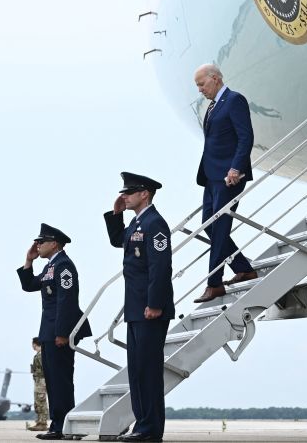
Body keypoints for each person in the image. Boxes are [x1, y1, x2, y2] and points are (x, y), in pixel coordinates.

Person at [104, 172, 174, 443]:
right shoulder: (136, 223)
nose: (124, 196)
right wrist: (116, 213)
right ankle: (142, 425)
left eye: (129, 192)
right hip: (135, 308)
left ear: (145, 193)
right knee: (136, 371)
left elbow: (160, 266)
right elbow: (116, 241)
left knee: (148, 371)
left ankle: (150, 429)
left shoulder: (155, 224)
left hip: (149, 309)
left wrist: (155, 303)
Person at [17, 224, 91, 441]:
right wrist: (29, 261)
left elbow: (67, 301)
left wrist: (62, 333)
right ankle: (58, 425)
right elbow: (30, 285)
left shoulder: (64, 266)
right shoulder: (51, 266)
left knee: (61, 381)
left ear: (55, 243)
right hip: (48, 331)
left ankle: (64, 425)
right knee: (53, 380)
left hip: (59, 332)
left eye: (42, 242)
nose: (37, 245)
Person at [193, 63, 258, 303]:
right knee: (209, 226)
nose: (200, 90)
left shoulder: (234, 100)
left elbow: (245, 136)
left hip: (229, 177)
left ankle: (214, 283)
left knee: (220, 227)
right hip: (211, 177)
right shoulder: (212, 106)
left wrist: (236, 167)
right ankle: (244, 269)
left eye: (201, 84)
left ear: (215, 79)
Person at [29, 338, 48, 432]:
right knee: (38, 402)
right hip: (38, 380)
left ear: (35, 344)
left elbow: (45, 369)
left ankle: (42, 423)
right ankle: (40, 422)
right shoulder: (39, 355)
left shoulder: (40, 355)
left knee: (41, 402)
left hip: (41, 381)